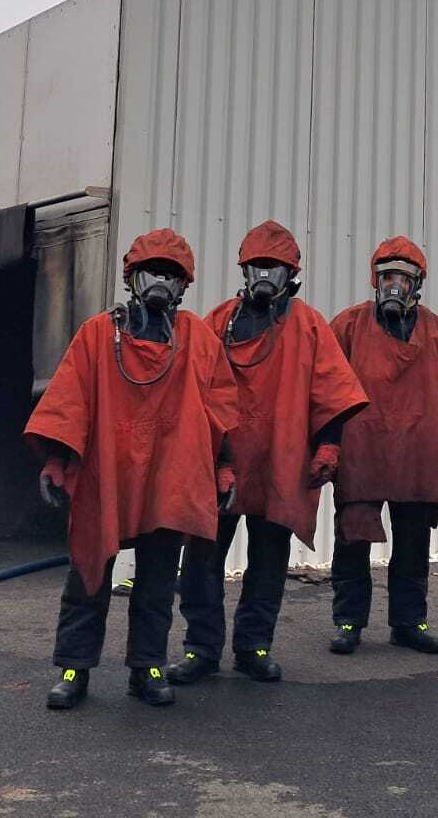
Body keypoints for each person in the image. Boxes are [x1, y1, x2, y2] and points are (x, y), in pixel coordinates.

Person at [25, 230, 239, 710]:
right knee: (88, 574)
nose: (160, 281)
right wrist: (57, 461)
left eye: (170, 274)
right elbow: (69, 400)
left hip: (169, 480)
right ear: (132, 277)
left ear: (183, 285)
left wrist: (224, 467)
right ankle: (74, 669)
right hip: (107, 476)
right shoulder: (99, 335)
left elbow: (222, 407)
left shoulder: (198, 340)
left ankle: (148, 668)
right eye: (151, 272)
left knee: (158, 581)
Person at [169, 220, 369, 686]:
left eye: (274, 267)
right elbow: (192, 388)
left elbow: (333, 389)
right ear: (244, 270)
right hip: (219, 461)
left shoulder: (309, 325)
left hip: (280, 462)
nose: (264, 275)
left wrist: (330, 444)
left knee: (268, 559)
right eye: (257, 266)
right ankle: (201, 649)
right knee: (201, 558)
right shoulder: (218, 322)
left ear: (291, 274)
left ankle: (254, 647)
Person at [327, 236, 438, 655]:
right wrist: (327, 446)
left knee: (412, 546)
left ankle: (409, 623)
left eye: (403, 278)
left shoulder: (437, 331)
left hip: (418, 456)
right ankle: (348, 622)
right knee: (352, 540)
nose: (395, 285)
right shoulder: (349, 326)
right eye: (387, 276)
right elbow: (325, 388)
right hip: (362, 454)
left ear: (417, 284)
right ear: (375, 280)